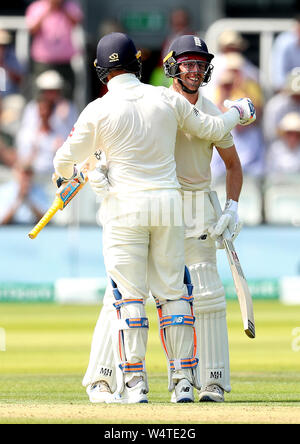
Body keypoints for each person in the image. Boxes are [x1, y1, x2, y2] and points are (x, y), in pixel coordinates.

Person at [76, 33, 255, 404]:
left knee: (204, 294)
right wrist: (100, 167)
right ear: (172, 65)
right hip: (156, 203)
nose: (194, 70)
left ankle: (209, 382)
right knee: (127, 293)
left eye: (201, 64)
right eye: (188, 63)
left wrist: (232, 206)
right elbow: (106, 140)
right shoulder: (154, 101)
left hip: (196, 206)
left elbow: (233, 165)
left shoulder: (209, 109)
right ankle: (104, 379)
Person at [25, 0, 83, 97]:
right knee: (41, 96)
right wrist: (48, 9)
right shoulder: (38, 7)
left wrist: (62, 9)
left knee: (66, 95)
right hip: (43, 62)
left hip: (64, 62)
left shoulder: (70, 6)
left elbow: (77, 22)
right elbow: (32, 29)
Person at [18, 70, 78, 140]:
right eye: (48, 91)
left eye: (54, 91)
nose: (51, 94)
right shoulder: (32, 108)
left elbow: (72, 133)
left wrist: (63, 119)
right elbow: (25, 135)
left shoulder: (69, 108)